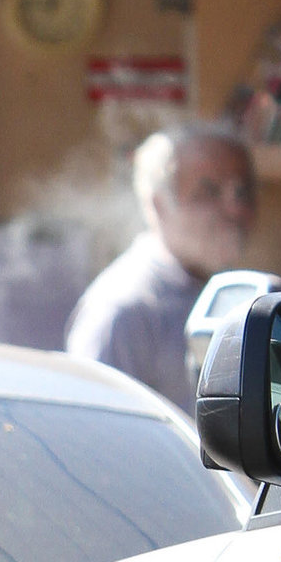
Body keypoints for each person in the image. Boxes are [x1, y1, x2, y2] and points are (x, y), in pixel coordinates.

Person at [65, 122, 257, 412]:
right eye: (208, 193)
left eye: (242, 193)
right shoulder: (124, 310)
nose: (236, 210)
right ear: (159, 205)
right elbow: (94, 437)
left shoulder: (230, 289)